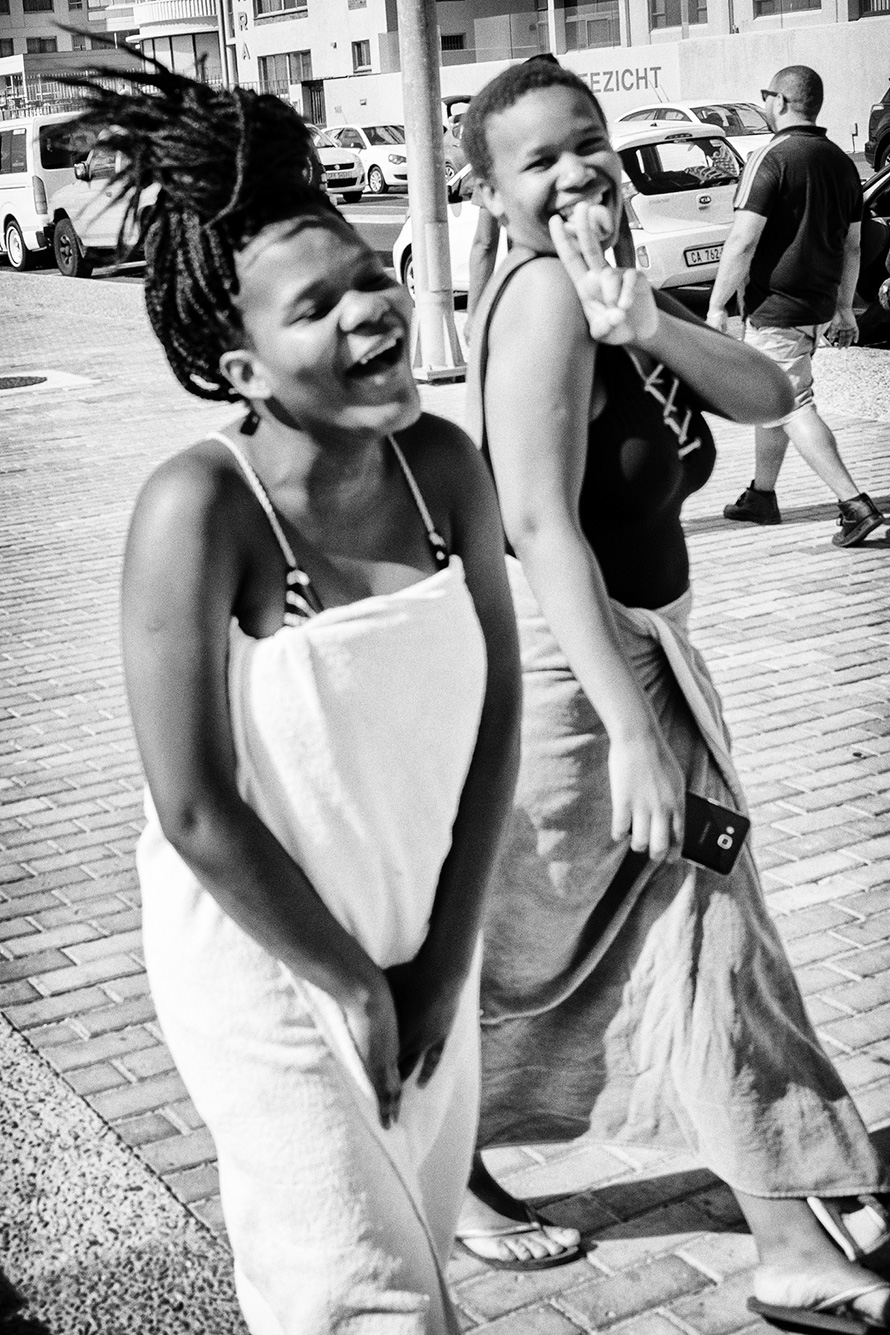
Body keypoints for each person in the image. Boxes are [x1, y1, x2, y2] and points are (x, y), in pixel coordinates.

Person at [66, 61, 521, 1335]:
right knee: (356, 1298)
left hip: (423, 934)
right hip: (270, 962)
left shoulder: (443, 466)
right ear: (245, 368)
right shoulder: (198, 506)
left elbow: (497, 717)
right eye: (315, 306)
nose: (368, 306)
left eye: (368, 276)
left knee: (417, 1258)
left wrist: (444, 957)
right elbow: (193, 806)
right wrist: (353, 986)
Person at [458, 58, 890, 1332]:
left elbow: (765, 393)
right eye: (537, 159)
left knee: (699, 932)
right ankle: (443, 1155)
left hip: (643, 659)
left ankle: (796, 1212)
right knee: (534, 949)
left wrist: (645, 321)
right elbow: (539, 525)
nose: (574, 170)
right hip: (582, 680)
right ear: (487, 192)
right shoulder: (541, 297)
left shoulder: (602, 291)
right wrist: (632, 732)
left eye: (585, 140)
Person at [706, 65, 885, 548]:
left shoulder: (770, 157)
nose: (765, 103)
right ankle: (761, 495)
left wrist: (717, 306)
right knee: (778, 397)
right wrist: (844, 308)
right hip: (816, 308)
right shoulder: (841, 163)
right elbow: (852, 245)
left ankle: (854, 504)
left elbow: (742, 242)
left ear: (781, 101)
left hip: (775, 308)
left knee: (791, 404)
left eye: (767, 96)